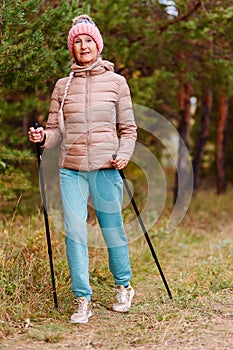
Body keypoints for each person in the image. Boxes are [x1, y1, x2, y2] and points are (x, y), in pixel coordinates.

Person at [29, 14, 137, 324]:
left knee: (112, 228)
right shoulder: (63, 86)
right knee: (74, 233)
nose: (83, 45)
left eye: (88, 39)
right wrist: (42, 138)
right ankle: (82, 299)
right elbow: (54, 133)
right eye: (77, 41)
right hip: (71, 169)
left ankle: (123, 286)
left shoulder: (117, 83)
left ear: (98, 44)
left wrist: (124, 154)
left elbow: (128, 129)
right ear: (72, 48)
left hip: (105, 166)